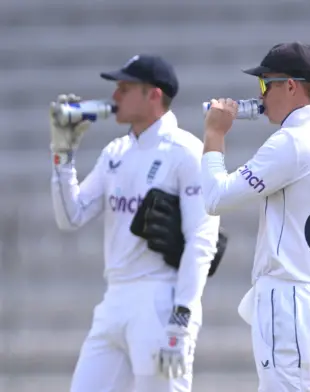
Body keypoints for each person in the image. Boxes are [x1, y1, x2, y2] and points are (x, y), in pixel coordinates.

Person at [199, 42, 310, 391]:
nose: (260, 95)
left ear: (291, 86)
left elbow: (215, 198)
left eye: (265, 84)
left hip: (290, 302)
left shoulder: (291, 141)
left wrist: (214, 134)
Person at [49, 54, 220, 391]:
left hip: (160, 302)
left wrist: (181, 319)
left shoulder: (186, 151)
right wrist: (62, 156)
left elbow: (202, 238)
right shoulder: (116, 151)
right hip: (114, 299)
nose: (114, 97)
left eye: (125, 88)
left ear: (153, 95)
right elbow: (71, 216)